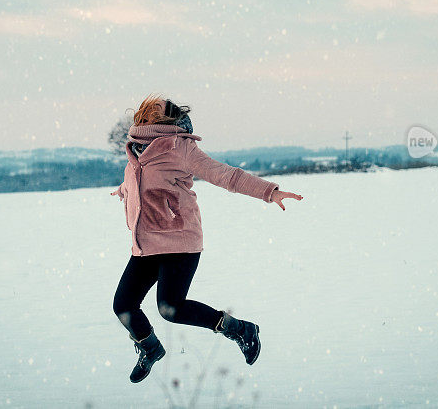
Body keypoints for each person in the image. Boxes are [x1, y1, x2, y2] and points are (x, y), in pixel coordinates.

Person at [110, 93, 304, 383]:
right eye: (146, 108)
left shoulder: (180, 147)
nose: (146, 110)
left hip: (179, 242)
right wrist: (125, 191)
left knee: (170, 308)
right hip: (147, 244)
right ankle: (149, 348)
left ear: (166, 119)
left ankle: (239, 329)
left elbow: (226, 175)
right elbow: (144, 184)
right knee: (124, 305)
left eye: (156, 109)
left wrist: (269, 191)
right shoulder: (136, 151)